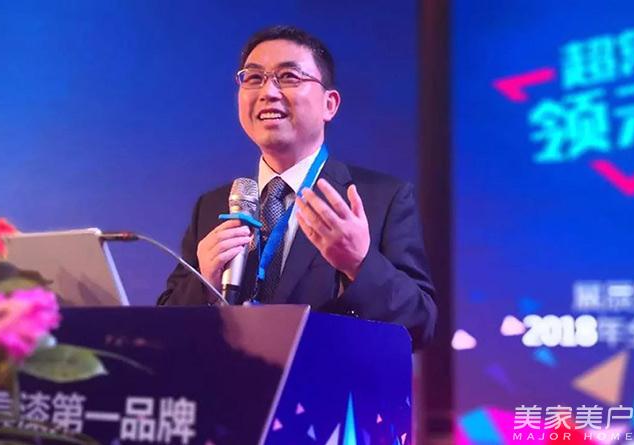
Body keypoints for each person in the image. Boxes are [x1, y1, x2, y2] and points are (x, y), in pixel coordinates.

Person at [157, 25, 437, 347]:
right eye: (254, 78)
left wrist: (359, 264)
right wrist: (204, 282)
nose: (268, 92)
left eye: (288, 77)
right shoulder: (214, 205)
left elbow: (421, 325)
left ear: (330, 104)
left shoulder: (381, 199)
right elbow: (163, 333)